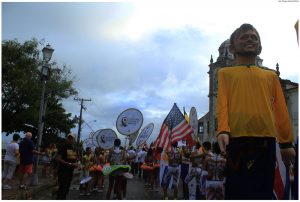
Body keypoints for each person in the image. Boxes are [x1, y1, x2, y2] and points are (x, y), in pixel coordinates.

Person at [216, 23, 296, 199]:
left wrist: (285, 142)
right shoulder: (224, 74)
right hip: (235, 142)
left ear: (260, 47)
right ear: (232, 47)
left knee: (263, 192)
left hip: (266, 143)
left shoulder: (271, 76)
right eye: (244, 37)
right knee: (236, 192)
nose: (250, 39)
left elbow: (280, 109)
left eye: (254, 37)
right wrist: (222, 129)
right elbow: (222, 104)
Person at [55, 133, 80, 199]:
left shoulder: (74, 148)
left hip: (70, 172)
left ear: (74, 140)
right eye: (69, 138)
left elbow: (74, 160)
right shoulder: (63, 147)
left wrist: (77, 164)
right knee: (62, 189)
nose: (70, 139)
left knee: (66, 189)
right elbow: (58, 159)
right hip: (63, 171)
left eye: (72, 138)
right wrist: (70, 164)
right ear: (67, 138)